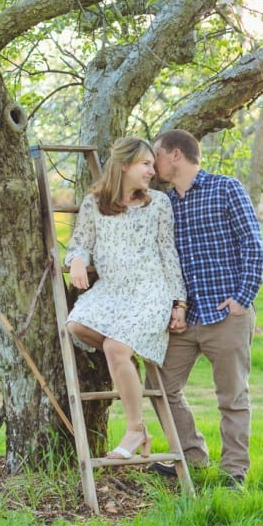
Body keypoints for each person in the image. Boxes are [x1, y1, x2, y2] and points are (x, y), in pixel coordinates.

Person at [146, 128, 263, 489]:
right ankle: (192, 457)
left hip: (226, 316)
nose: (153, 165)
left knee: (232, 397)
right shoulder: (165, 202)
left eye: (158, 156)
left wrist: (242, 299)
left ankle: (233, 474)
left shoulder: (225, 188)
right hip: (185, 319)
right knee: (159, 385)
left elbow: (253, 245)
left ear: (176, 155)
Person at [65, 136, 187, 460]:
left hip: (149, 291)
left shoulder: (158, 203)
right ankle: (125, 358)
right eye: (145, 164)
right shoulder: (94, 203)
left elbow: (168, 253)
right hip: (111, 290)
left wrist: (179, 302)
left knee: (115, 347)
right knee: (76, 325)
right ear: (123, 166)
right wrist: (76, 260)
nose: (152, 170)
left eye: (152, 164)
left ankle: (135, 430)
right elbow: (79, 243)